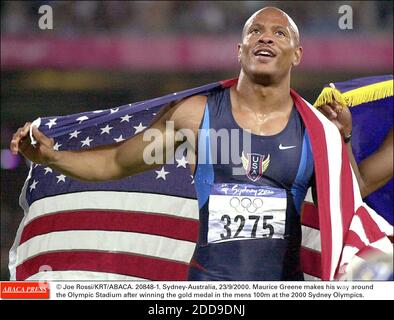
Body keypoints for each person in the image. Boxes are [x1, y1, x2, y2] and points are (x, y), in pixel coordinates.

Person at [9, 7, 388, 280]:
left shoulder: (316, 131)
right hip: (207, 295)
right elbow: (114, 164)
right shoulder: (195, 117)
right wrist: (51, 156)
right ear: (240, 51)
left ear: (297, 54)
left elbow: (349, 203)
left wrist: (344, 138)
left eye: (279, 33)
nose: (266, 37)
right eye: (255, 31)